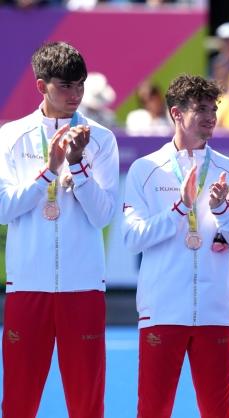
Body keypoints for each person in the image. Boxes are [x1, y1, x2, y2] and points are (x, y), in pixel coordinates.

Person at [122, 74, 229, 417]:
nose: (211, 116)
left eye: (213, 108)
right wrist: (180, 208)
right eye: (201, 109)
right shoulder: (145, 169)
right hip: (162, 310)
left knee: (218, 411)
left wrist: (222, 211)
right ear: (176, 113)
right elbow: (132, 238)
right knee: (153, 411)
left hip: (216, 310)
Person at [0, 41, 119, 418]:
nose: (75, 94)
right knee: (18, 402)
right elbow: (3, 209)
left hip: (83, 287)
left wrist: (78, 167)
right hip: (27, 285)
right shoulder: (10, 136)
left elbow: (103, 216)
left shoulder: (101, 138)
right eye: (65, 86)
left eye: (80, 85)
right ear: (41, 86)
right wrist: (49, 172)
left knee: (87, 405)